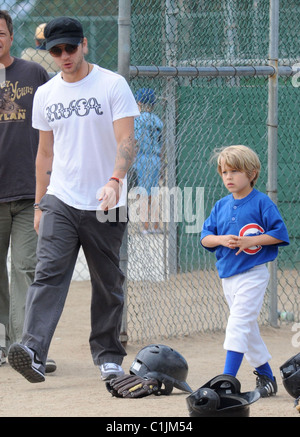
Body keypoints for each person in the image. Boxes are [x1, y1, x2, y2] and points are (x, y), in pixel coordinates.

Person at [8, 16, 140, 384]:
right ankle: (33, 351)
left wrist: (115, 181)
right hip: (60, 199)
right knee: (48, 273)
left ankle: (108, 355)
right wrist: (39, 202)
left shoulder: (112, 84)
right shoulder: (46, 94)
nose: (64, 56)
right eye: (56, 50)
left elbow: (126, 141)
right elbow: (45, 154)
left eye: (69, 48)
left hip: (106, 202)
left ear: (83, 44)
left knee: (107, 281)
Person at [200, 145, 289, 397]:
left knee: (237, 325)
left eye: (235, 171)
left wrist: (254, 240)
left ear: (252, 174)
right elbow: (205, 237)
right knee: (247, 329)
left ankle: (227, 381)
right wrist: (220, 239)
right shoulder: (221, 205)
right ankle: (267, 377)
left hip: (253, 274)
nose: (228, 177)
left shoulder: (261, 202)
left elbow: (279, 233)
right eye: (224, 172)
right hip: (228, 277)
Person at [0, 10, 56, 373]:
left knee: (25, 268)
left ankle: (25, 349)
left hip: (27, 191)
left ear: (9, 35)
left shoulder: (32, 73)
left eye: (0, 32)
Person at [134, 88, 163, 233]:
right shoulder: (157, 120)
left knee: (143, 193)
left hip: (142, 158)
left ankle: (145, 226)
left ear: (139, 102)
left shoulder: (137, 119)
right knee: (154, 192)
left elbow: (136, 142)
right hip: (155, 158)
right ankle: (156, 225)